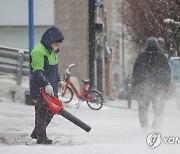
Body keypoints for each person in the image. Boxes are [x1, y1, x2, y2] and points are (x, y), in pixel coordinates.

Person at [30, 26, 64, 144]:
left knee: (52, 110)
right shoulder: (38, 52)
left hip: (51, 88)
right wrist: (46, 84)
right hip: (41, 89)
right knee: (42, 112)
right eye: (57, 42)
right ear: (50, 40)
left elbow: (54, 69)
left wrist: (59, 80)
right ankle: (41, 137)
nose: (58, 45)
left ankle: (37, 132)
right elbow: (37, 72)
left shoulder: (52, 51)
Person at [132, 37, 171, 131]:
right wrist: (166, 86)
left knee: (143, 107)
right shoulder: (162, 57)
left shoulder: (141, 57)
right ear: (157, 45)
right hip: (158, 87)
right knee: (158, 107)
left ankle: (144, 126)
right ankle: (156, 125)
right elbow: (167, 73)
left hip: (143, 87)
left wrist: (135, 87)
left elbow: (136, 73)